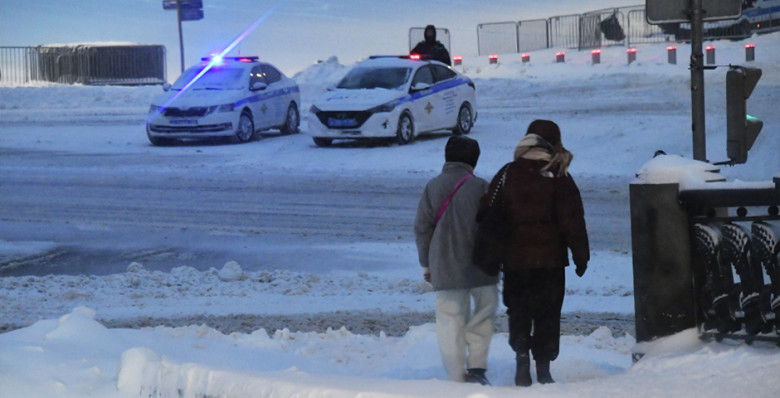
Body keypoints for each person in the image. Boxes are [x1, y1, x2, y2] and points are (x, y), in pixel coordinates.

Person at [481, 119, 589, 387]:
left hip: (516, 260)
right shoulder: (559, 175)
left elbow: (486, 212)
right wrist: (580, 255)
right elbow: (572, 219)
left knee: (518, 309)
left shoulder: (507, 173)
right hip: (550, 261)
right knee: (548, 312)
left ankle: (521, 359)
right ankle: (543, 368)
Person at [414, 136, 499, 385]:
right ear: (474, 160)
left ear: (447, 158)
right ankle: (477, 369)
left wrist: (426, 264)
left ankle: (454, 375)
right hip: (482, 267)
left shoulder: (433, 186)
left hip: (445, 266)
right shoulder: (482, 187)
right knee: (483, 314)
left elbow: (422, 228)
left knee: (450, 319)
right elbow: (495, 226)